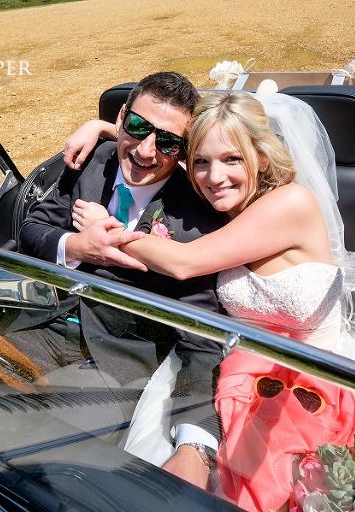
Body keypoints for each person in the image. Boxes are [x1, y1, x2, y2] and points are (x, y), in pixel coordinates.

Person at [67, 91, 355, 511]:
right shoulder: (218, 203)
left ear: (261, 159)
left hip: (315, 379)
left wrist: (108, 229)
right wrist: (102, 128)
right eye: (202, 162)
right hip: (231, 368)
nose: (215, 177)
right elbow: (154, 148)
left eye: (233, 159)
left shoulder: (291, 202)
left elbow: (185, 264)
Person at [20, 72, 228, 489]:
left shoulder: (199, 220)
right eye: (137, 128)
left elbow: (203, 337)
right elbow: (34, 225)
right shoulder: (95, 160)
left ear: (184, 151)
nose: (147, 151)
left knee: (43, 468)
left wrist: (196, 447)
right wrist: (76, 247)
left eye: (168, 142)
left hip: (115, 365)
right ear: (121, 118)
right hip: (38, 321)